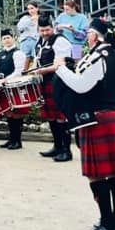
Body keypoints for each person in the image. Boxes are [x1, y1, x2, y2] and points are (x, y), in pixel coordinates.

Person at [54, 18, 115, 230]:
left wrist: (61, 68)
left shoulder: (99, 57)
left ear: (95, 36)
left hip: (99, 120)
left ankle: (108, 225)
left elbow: (81, 85)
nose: (87, 37)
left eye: (89, 33)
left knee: (96, 174)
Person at [34, 15, 73, 162]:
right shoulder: (40, 42)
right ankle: (57, 146)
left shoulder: (60, 41)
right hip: (44, 82)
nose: (44, 33)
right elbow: (37, 60)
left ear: (53, 27)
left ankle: (66, 150)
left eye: (47, 29)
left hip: (58, 82)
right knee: (50, 116)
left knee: (60, 117)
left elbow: (60, 64)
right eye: (42, 30)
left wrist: (42, 71)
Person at [0, 29, 27, 150]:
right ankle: (11, 139)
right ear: (1, 40)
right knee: (8, 113)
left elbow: (19, 71)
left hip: (14, 86)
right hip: (2, 86)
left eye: (8, 38)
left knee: (16, 113)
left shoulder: (18, 53)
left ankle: (17, 141)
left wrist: (6, 79)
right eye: (4, 38)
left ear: (13, 38)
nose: (6, 40)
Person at [16, 2, 41, 70]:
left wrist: (37, 20)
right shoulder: (25, 18)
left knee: (35, 58)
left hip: (36, 40)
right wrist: (30, 20)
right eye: (29, 9)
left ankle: (33, 72)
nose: (30, 10)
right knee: (24, 58)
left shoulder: (41, 18)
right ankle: (23, 72)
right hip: (25, 40)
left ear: (37, 8)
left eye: (32, 8)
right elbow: (20, 27)